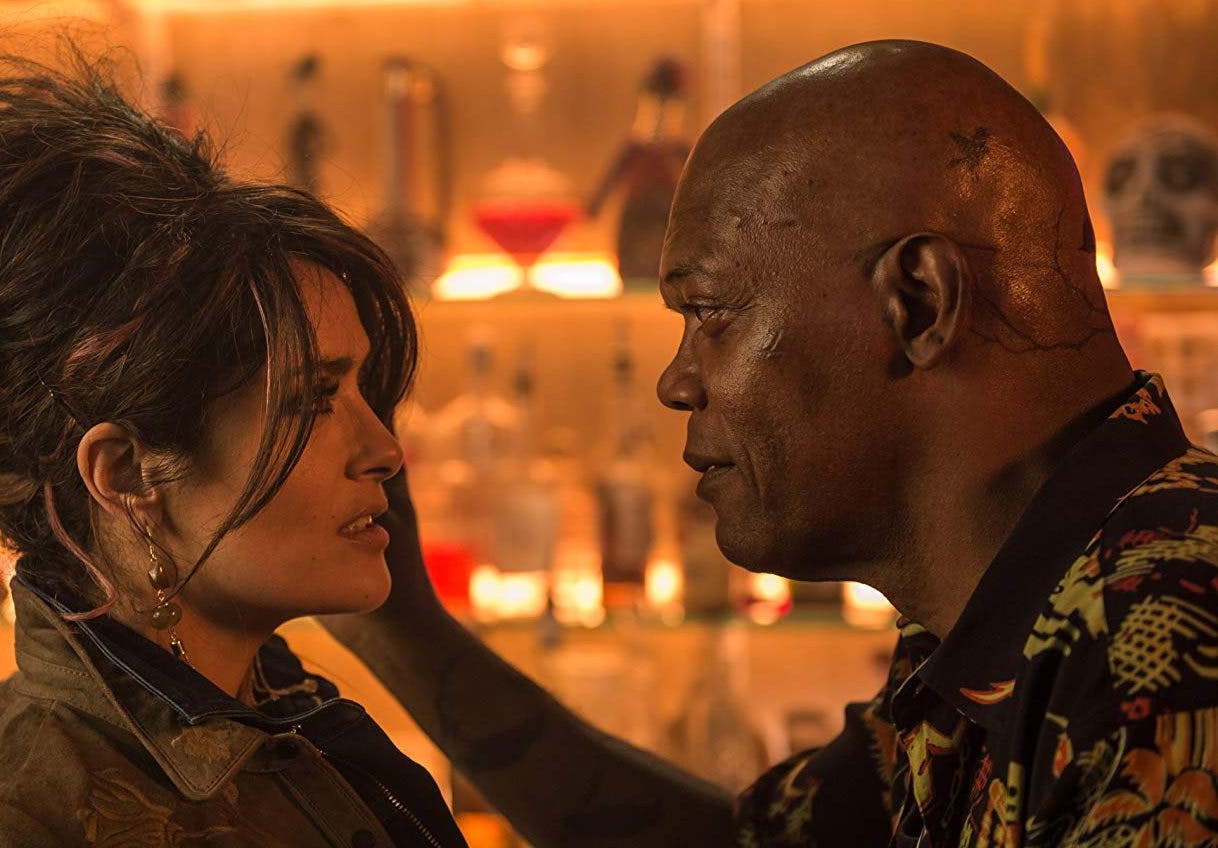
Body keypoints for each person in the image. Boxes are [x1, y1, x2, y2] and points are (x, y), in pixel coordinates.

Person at [322, 40, 1218, 847]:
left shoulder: (1164, 638)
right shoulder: (1011, 610)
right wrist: (400, 627)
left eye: (710, 312)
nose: (677, 381)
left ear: (918, 304)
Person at [0, 56, 466, 848]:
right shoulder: (12, 826)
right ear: (126, 476)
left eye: (364, 392)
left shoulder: (289, 725)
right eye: (313, 400)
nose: (384, 449)